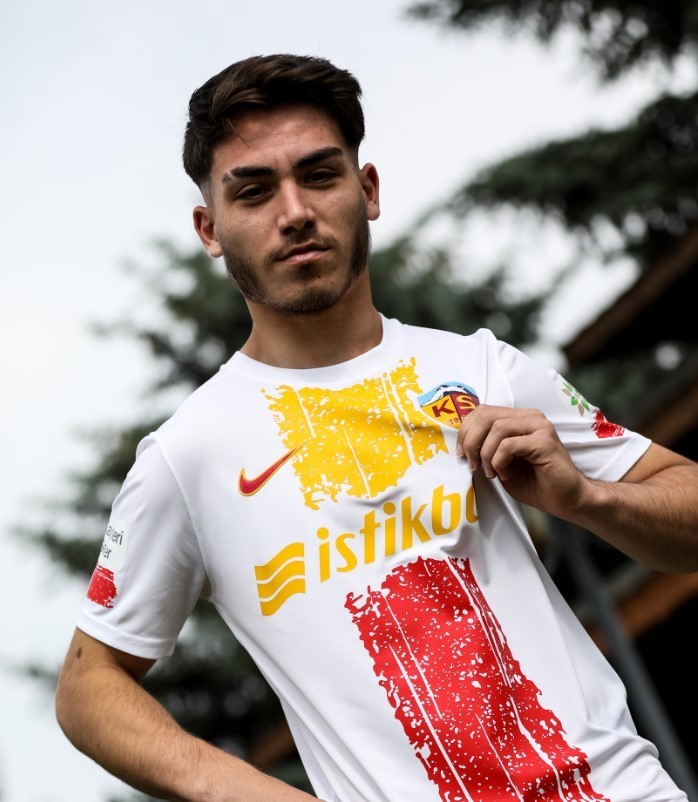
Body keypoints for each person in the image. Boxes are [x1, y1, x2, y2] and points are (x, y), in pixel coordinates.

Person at [55, 54, 698, 802]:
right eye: (254, 191)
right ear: (211, 228)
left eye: (319, 176)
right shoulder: (188, 454)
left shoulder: (480, 369)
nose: (295, 211)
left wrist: (590, 499)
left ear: (367, 191)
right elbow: (87, 686)